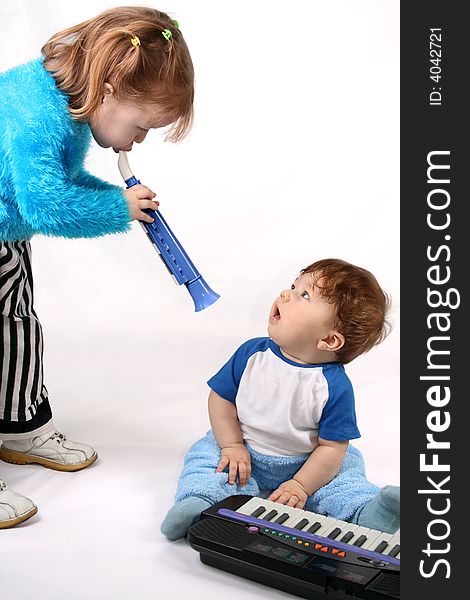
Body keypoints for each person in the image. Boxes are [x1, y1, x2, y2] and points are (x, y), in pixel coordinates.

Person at [0, 6, 194, 529]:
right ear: (109, 89)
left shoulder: (71, 104)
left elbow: (58, 185)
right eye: (142, 125)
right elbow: (45, 204)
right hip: (9, 225)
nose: (140, 139)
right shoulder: (37, 113)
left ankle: (21, 428)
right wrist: (117, 208)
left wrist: (118, 198)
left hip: (5, 236)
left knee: (17, 329)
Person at [161, 258, 400, 540]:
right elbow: (221, 400)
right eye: (293, 286)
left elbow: (331, 446)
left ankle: (369, 512)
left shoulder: (333, 387)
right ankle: (197, 500)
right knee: (205, 454)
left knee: (345, 470)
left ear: (329, 341)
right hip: (244, 451)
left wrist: (300, 485)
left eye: (305, 295)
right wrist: (232, 444)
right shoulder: (252, 355)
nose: (286, 294)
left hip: (307, 462)